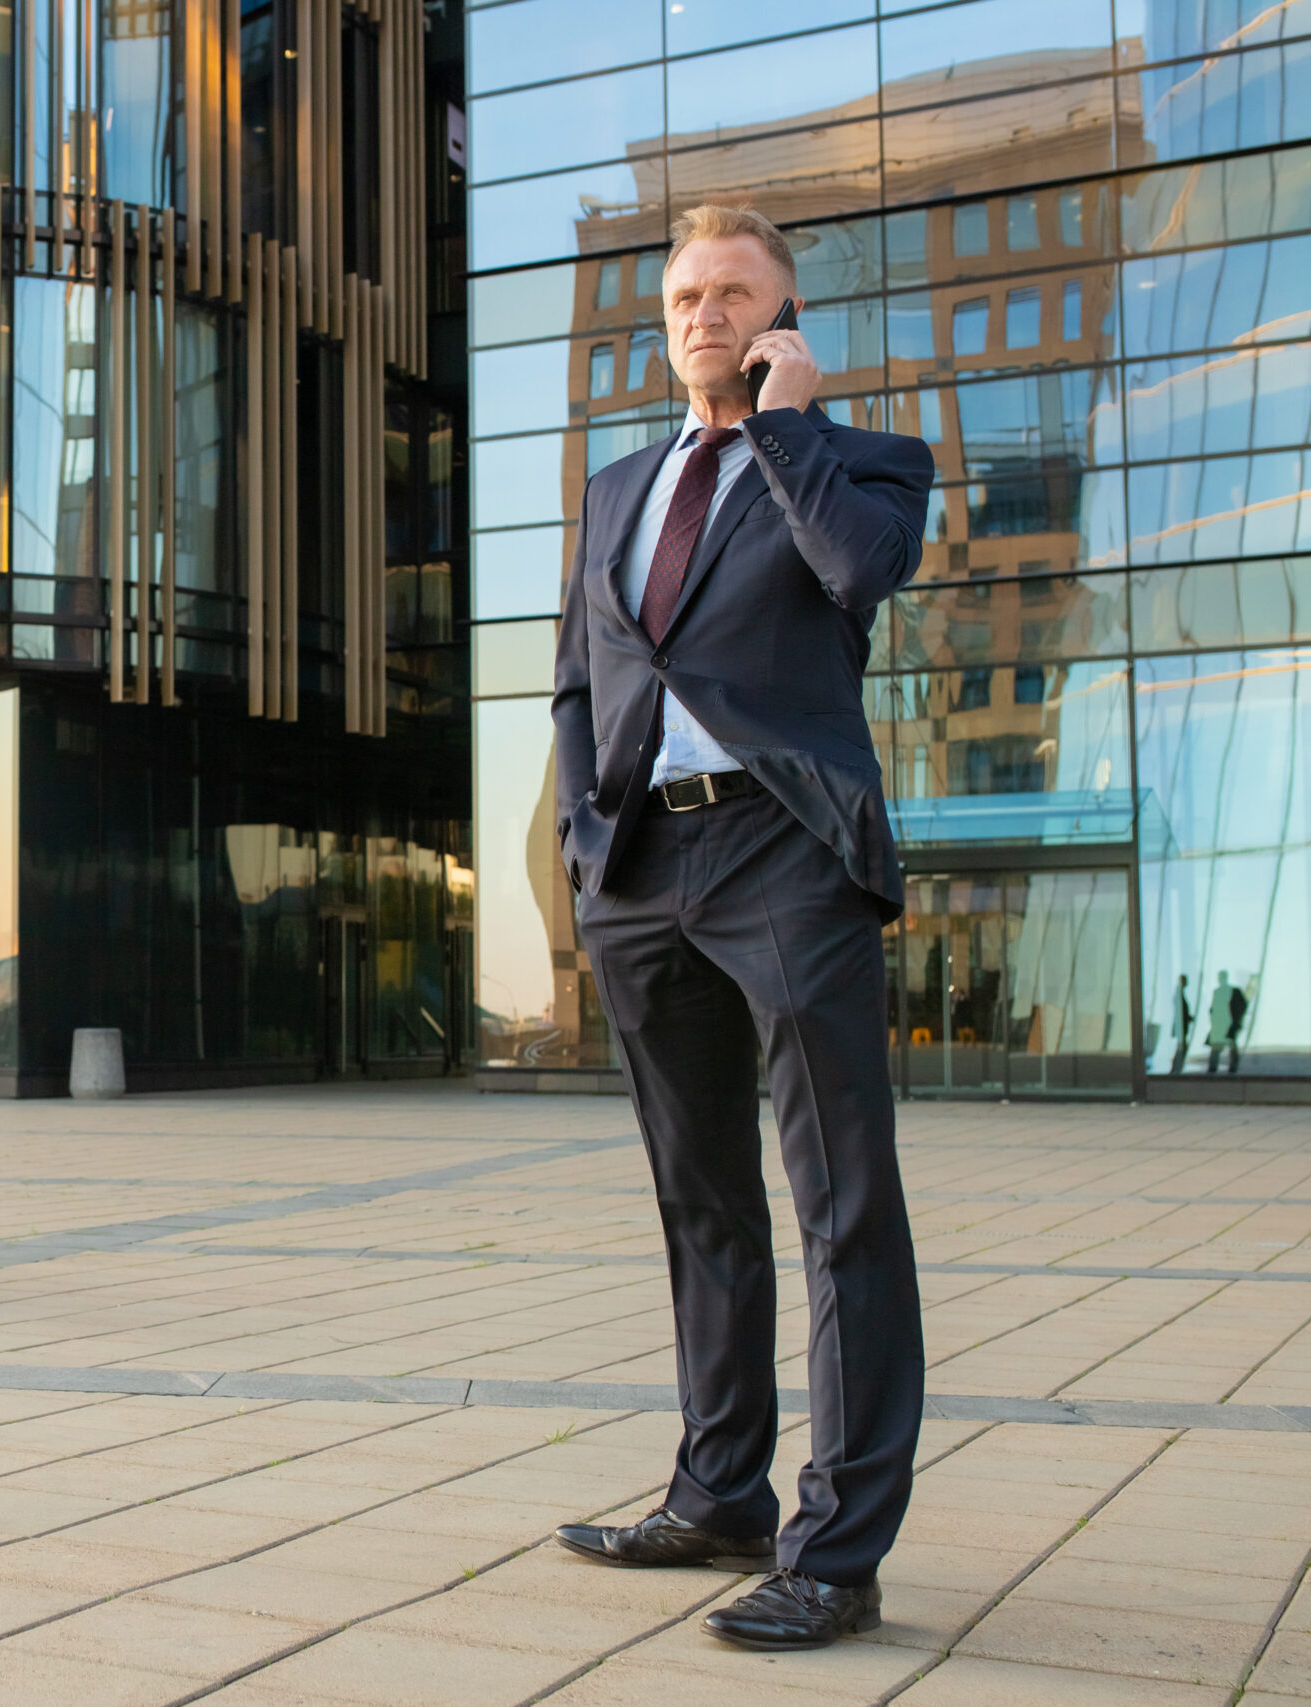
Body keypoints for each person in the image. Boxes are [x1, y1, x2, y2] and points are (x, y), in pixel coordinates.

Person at [548, 204, 934, 1652]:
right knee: (700, 1194)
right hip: (644, 865)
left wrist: (784, 427)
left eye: (734, 296)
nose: (703, 313)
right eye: (686, 296)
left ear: (783, 322)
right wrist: (590, 844)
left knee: (844, 1206)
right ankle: (719, 1490)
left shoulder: (862, 464)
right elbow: (580, 677)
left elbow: (856, 576)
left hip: (787, 849)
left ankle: (838, 1549)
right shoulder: (614, 487)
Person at [1208, 971, 1247, 1073]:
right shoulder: (1219, 992)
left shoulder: (1229, 991)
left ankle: (1229, 1068)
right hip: (1222, 1024)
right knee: (1222, 1047)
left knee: (1225, 1047)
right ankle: (1225, 1068)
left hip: (1226, 1024)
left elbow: (1214, 1009)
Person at [1169, 974, 1194, 1074]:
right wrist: (1188, 1018)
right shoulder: (1179, 993)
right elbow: (1181, 1011)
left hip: (1182, 1026)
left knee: (1181, 1047)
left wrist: (1189, 1018)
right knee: (1181, 1047)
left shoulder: (1180, 993)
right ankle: (1176, 1068)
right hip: (1181, 1027)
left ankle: (1176, 1068)